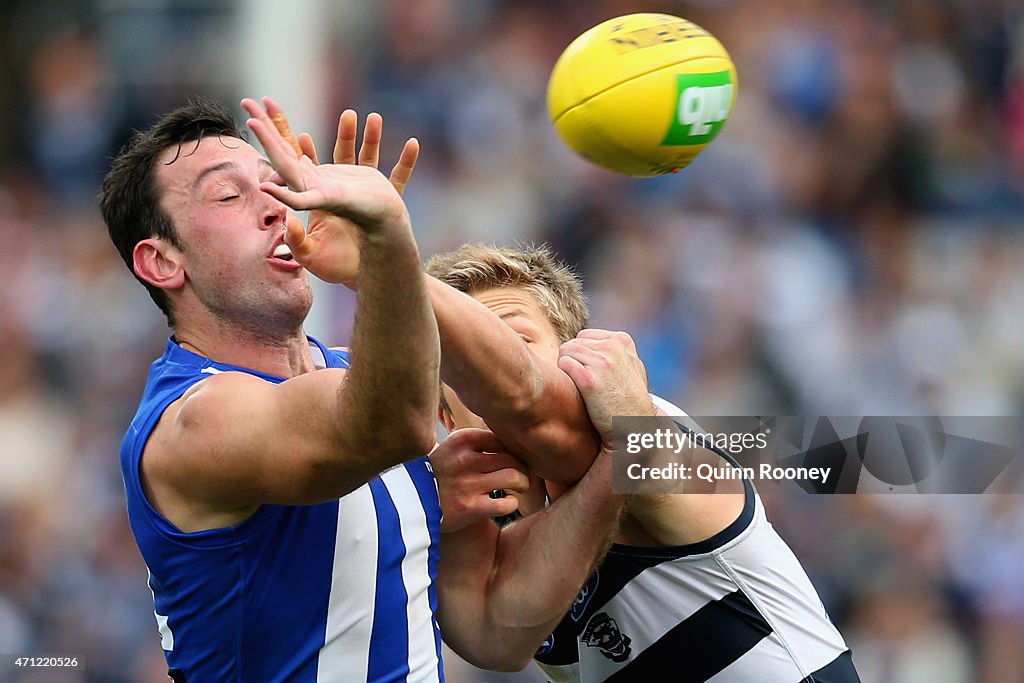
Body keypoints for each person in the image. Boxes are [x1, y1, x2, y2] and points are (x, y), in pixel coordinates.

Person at [101, 97, 626, 682]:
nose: (277, 205)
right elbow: (384, 427)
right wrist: (382, 244)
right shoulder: (193, 422)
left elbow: (494, 635)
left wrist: (626, 452)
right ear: (162, 261)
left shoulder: (366, 378)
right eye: (229, 195)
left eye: (276, 183)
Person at [426, 244, 862, 682]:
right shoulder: (463, 510)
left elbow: (527, 401)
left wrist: (384, 262)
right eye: (462, 365)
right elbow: (494, 643)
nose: (488, 365)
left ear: (572, 361)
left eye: (515, 340)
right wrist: (435, 511)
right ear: (446, 416)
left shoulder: (633, 423)